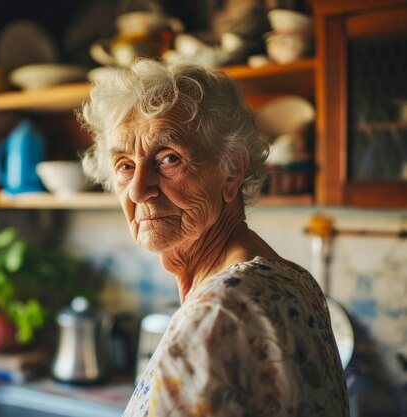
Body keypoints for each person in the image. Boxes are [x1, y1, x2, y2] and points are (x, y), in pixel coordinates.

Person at [78, 59, 349, 417]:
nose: (139, 190)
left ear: (231, 171)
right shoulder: (293, 280)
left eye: (169, 158)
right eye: (125, 165)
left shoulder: (216, 314)